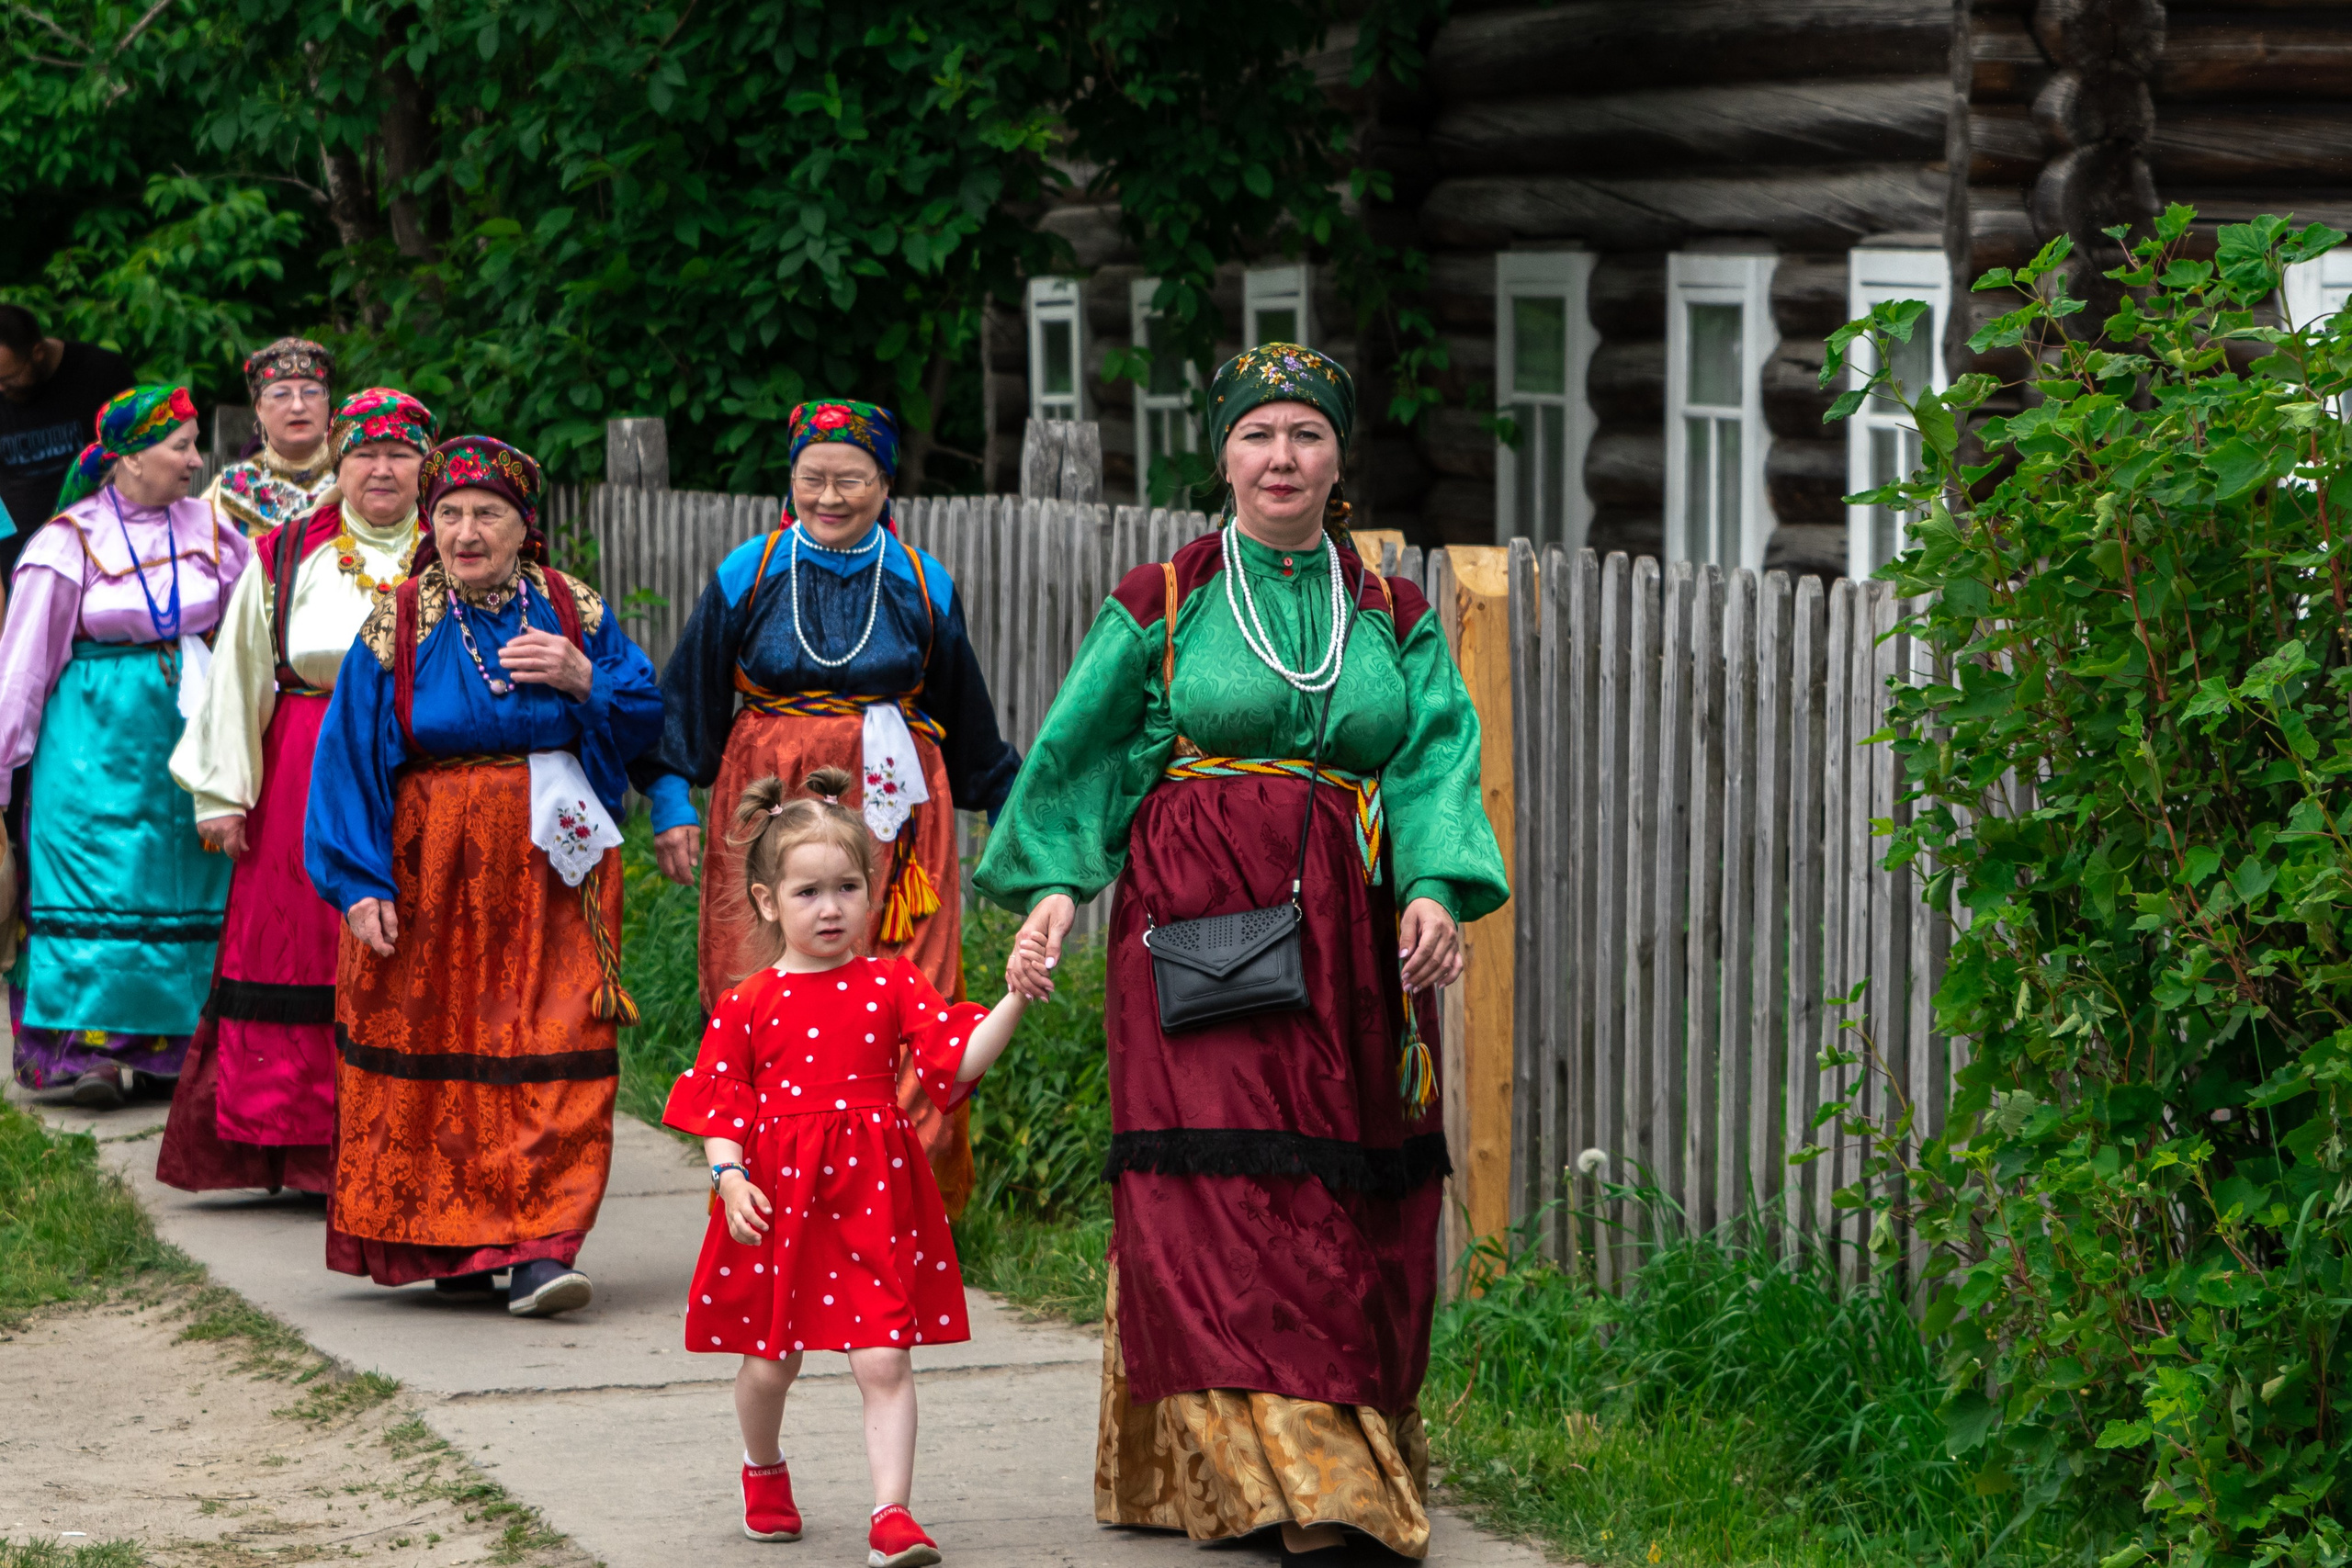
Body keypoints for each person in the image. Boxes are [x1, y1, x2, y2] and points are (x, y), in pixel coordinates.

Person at [975, 345, 1509, 1561]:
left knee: (1341, 1185)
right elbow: (1085, 752)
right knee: (1214, 1189)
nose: (1282, 457)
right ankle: (1299, 1482)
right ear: (1221, 453)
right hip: (1194, 935)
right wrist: (1057, 885)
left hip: (1356, 946)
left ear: (1339, 460)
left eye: (1306, 436)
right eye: (1259, 434)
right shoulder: (1167, 598)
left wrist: (1431, 884)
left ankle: (1321, 1453)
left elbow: (1431, 759)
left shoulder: (1394, 615)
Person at [304, 434, 662, 1315]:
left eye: (488, 514)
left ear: (523, 526)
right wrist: (358, 884)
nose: (467, 532)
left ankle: (544, 1244)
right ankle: (461, 1237)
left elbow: (647, 719)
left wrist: (585, 681)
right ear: (431, 525)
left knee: (555, 1038)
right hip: (430, 866)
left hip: (554, 868)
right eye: (451, 514)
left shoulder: (573, 610)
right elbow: (348, 757)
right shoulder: (400, 618)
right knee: (436, 1041)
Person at [636, 399, 1019, 1218]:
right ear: (791, 481)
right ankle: (764, 1197)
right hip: (765, 800)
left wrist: (1025, 828)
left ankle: (902, 1205)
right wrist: (670, 797)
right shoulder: (752, 568)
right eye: (813, 478)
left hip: (899, 819)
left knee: (913, 991)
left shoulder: (921, 580)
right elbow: (686, 704)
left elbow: (973, 725)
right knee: (759, 985)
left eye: (852, 478)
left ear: (886, 484)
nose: (831, 496)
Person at [662, 767, 1025, 1563]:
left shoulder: (890, 983)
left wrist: (1015, 998)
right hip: (775, 1199)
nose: (831, 908)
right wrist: (729, 1178)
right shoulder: (748, 1000)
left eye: (848, 887)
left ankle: (891, 1512)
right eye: (808, 892)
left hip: (870, 1194)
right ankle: (764, 1469)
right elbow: (720, 1107)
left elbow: (955, 1059)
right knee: (769, 1364)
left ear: (871, 891)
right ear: (768, 901)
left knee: (885, 1354)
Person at [157, 389, 436, 1196]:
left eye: (399, 454)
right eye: (363, 454)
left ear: (427, 464)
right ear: (337, 464)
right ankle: (307, 1138)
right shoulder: (286, 552)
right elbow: (242, 671)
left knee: (409, 949)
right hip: (301, 780)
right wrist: (221, 794)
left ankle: (407, 1130)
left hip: (419, 774)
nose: (381, 469)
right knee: (304, 950)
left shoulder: (456, 543)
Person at [0, 387, 253, 1106]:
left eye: (195, 442)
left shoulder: (214, 530)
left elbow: (250, 634)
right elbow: (21, 672)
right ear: (131, 457)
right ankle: (90, 1056)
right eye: (181, 445)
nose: (196, 460)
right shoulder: (66, 541)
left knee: (186, 880)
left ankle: (180, 1050)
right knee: (97, 881)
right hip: (90, 755)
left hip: (188, 736)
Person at [0, 305, 134, 586]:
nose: (1, 389)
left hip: (99, 555)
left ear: (37, 353)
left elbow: (137, 456)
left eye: (8, 379)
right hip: (16, 564)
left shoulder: (101, 375)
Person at [204, 338, 337, 538]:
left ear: (327, 403)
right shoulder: (227, 489)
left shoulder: (355, 477)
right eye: (281, 395)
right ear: (259, 409)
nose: (298, 406)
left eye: (310, 393)